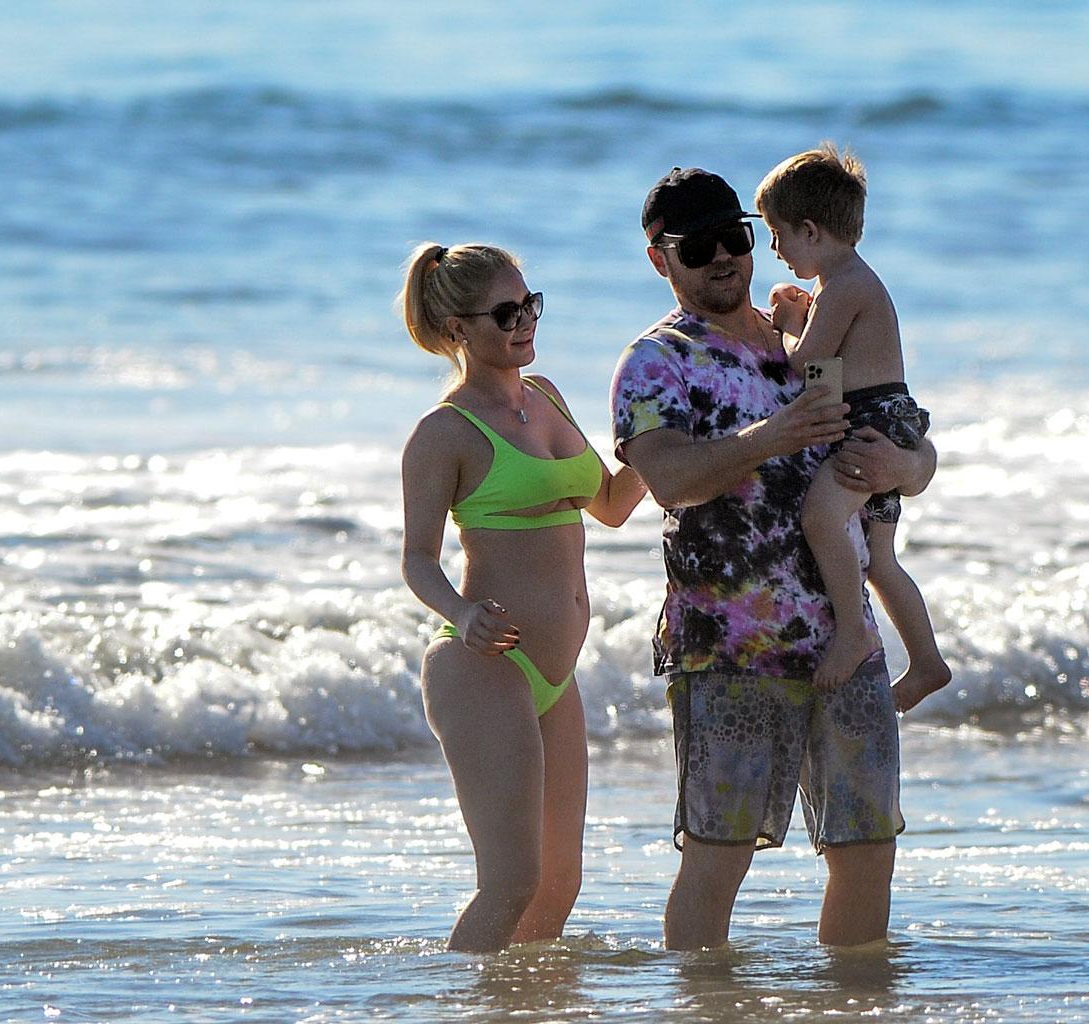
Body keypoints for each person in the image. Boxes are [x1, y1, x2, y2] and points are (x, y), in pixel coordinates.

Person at [611, 168, 938, 949]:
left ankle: (853, 1003)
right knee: (717, 857)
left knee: (867, 852)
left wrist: (911, 467)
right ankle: (702, 1004)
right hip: (731, 649)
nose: (723, 257)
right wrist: (776, 436)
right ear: (662, 260)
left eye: (737, 237)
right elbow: (671, 480)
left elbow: (900, 440)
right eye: (699, 247)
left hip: (844, 641)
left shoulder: (806, 334)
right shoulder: (658, 362)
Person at [397, 241, 646, 952]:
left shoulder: (548, 397)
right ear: (456, 331)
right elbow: (417, 560)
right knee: (509, 883)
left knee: (558, 884)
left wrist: (677, 443)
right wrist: (463, 612)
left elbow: (611, 502)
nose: (523, 322)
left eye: (529, 304)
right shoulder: (443, 433)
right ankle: (460, 1000)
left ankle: (521, 1004)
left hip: (555, 673)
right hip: (484, 667)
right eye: (505, 313)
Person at [755, 143, 952, 706]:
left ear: (811, 232)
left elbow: (803, 361)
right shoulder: (843, 284)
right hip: (884, 422)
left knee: (821, 518)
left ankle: (852, 632)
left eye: (778, 234)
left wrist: (789, 321)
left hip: (872, 427)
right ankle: (927, 661)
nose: (775, 249)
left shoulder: (844, 287)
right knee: (879, 559)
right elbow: (826, 378)